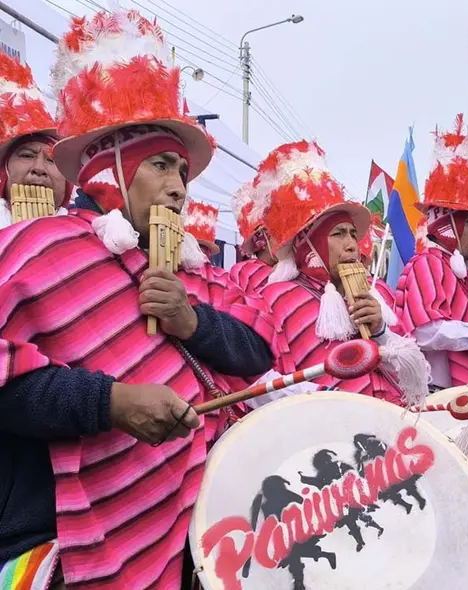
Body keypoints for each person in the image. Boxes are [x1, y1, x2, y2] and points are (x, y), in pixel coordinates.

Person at [0, 10, 279, 589]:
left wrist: (189, 320)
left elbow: (259, 350)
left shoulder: (198, 271)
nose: (180, 185)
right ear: (111, 171)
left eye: (183, 170)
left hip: (213, 529)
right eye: (161, 165)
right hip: (90, 542)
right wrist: (113, 402)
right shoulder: (39, 248)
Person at [250, 140, 428, 406]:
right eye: (338, 233)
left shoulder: (376, 294)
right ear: (308, 244)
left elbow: (418, 375)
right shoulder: (274, 298)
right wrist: (328, 402)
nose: (352, 244)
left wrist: (380, 331)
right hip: (327, 435)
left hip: (392, 422)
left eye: (353, 234)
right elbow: (257, 384)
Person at [394, 114, 468, 390]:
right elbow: (425, 331)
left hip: (462, 394)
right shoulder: (427, 263)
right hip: (436, 395)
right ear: (448, 223)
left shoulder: (459, 271)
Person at [0, 52, 71, 228]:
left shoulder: (96, 236)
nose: (39, 169)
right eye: (27, 155)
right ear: (4, 173)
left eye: (52, 160)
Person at [229, 181, 275, 295]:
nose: (286, 238)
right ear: (262, 240)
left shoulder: (290, 267)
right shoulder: (243, 272)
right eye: (277, 232)